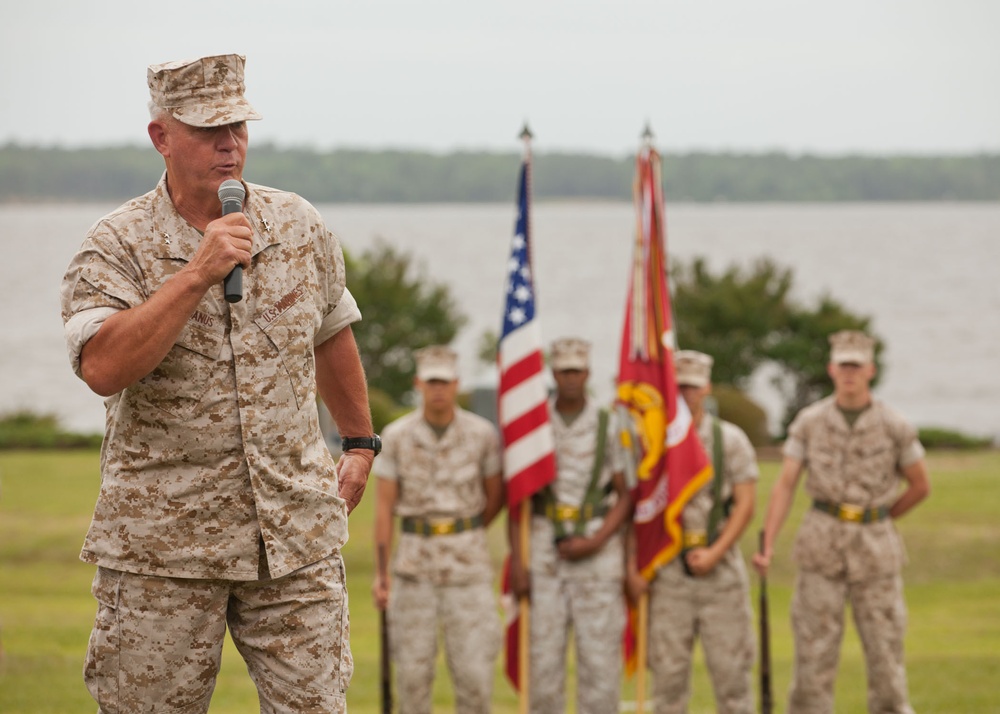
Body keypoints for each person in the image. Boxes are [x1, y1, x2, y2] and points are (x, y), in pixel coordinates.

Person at [60, 54, 377, 713]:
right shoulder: (116, 244)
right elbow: (102, 368)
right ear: (161, 137)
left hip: (293, 539)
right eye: (208, 129)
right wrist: (195, 274)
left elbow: (331, 330)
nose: (228, 144)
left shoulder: (297, 225)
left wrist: (358, 441)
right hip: (164, 551)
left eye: (237, 125)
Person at [753, 330, 931, 714]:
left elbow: (920, 485)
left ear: (871, 370)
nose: (849, 373)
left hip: (876, 552)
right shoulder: (810, 422)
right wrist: (767, 542)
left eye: (857, 365)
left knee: (886, 658)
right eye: (843, 365)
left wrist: (881, 518)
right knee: (813, 658)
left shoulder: (894, 425)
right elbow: (785, 485)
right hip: (821, 547)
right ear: (832, 369)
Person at [372, 345, 504, 714]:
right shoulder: (397, 436)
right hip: (414, 569)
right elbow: (384, 509)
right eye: (431, 382)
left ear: (457, 384)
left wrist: (464, 530)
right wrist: (381, 574)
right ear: (419, 384)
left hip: (468, 569)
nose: (439, 390)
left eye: (445, 382)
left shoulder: (482, 434)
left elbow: (496, 496)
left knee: (476, 677)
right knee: (412, 679)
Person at [626, 350, 759, 713]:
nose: (687, 394)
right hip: (669, 573)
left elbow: (746, 504)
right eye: (679, 387)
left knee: (732, 678)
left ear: (707, 389)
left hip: (721, 571)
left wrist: (715, 552)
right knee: (668, 682)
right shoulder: (653, 442)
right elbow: (637, 509)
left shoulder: (730, 440)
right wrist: (634, 567)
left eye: (694, 387)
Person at [508, 337, 632, 713]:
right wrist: (518, 560)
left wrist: (595, 541)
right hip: (544, 550)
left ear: (588, 373)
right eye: (564, 371)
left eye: (577, 371)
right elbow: (519, 500)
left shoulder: (611, 424)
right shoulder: (532, 426)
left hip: (598, 552)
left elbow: (626, 495)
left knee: (600, 666)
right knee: (543, 666)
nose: (571, 378)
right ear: (553, 374)